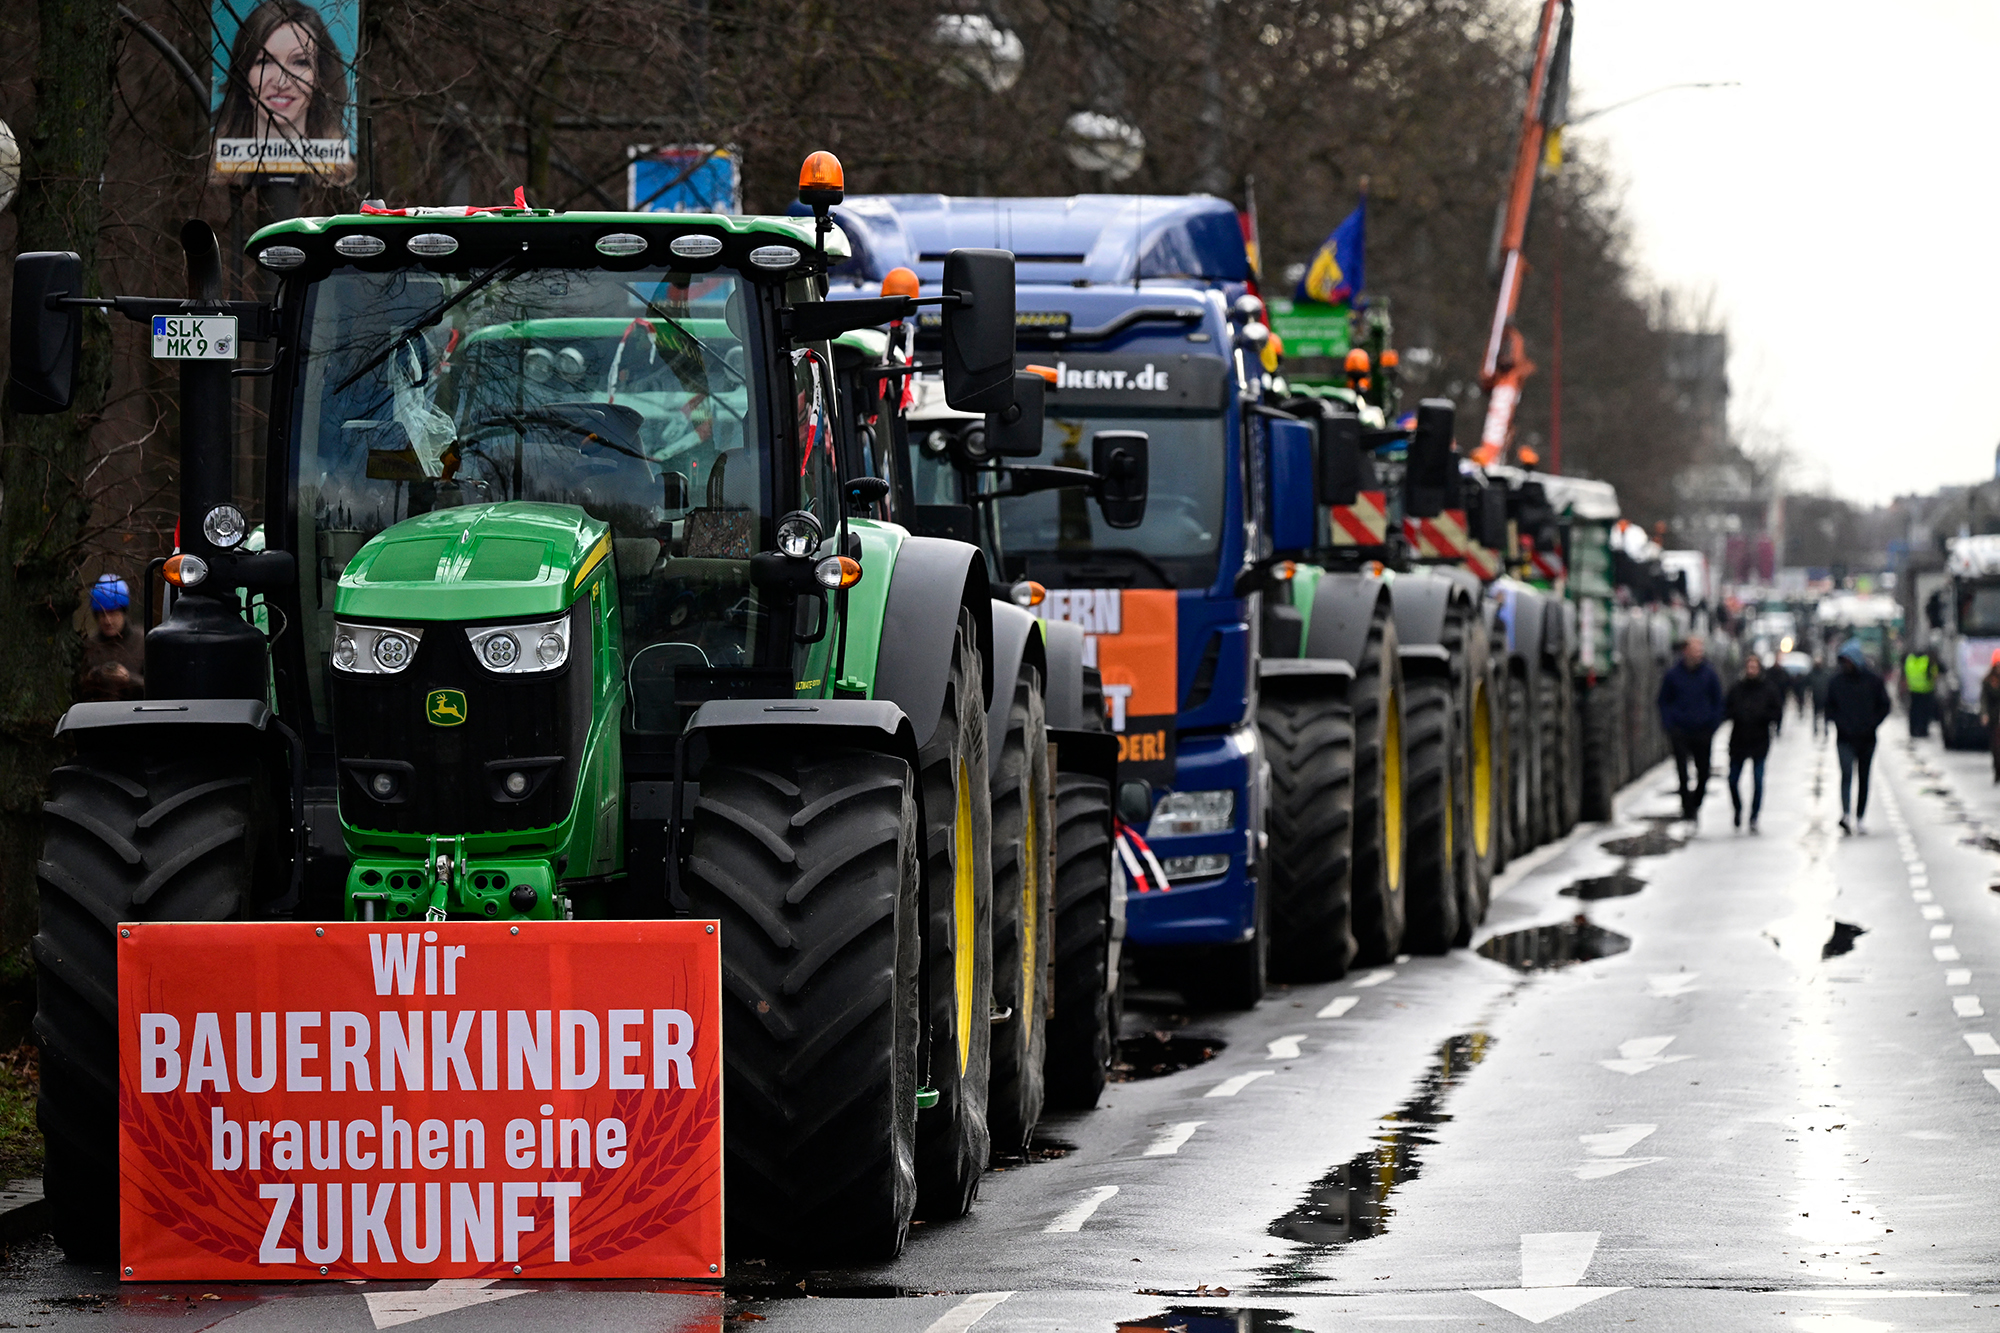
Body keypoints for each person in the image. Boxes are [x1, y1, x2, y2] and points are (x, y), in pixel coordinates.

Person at [215, 2, 348, 146]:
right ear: (243, 73)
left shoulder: (344, 164)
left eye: (300, 62)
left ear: (320, 75)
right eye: (264, 62)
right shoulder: (208, 161)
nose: (281, 82)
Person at [1824, 638, 1891, 835]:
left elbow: (1884, 705)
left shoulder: (1873, 681)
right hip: (1845, 738)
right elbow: (1829, 706)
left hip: (1867, 739)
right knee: (1846, 775)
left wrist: (1871, 724)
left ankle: (1860, 816)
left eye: (1848, 661)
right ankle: (1845, 814)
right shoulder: (1836, 682)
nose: (1846, 665)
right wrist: (1839, 723)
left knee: (1863, 777)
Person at [1657, 635, 1725, 827]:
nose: (1699, 653)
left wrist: (1712, 724)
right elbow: (1663, 701)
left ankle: (1696, 801)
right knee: (1682, 771)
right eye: (1695, 649)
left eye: (1700, 650)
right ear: (1686, 651)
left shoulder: (1709, 674)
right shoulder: (1673, 675)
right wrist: (1670, 724)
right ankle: (1687, 808)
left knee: (1703, 772)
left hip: (1703, 730)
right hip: (1680, 731)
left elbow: (1718, 701)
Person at [1725, 655, 1785, 832]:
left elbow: (1777, 711)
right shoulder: (1737, 688)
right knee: (1732, 780)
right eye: (1749, 667)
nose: (1751, 670)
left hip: (1759, 740)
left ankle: (1754, 816)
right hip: (1739, 740)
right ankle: (1738, 809)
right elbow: (1726, 708)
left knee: (1758, 781)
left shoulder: (1768, 689)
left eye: (1754, 667)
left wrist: (1762, 716)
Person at [79, 574, 144, 702]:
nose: (107, 620)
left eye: (112, 613)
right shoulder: (89, 646)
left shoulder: (143, 643)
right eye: (102, 614)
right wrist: (97, 676)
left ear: (123, 612)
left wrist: (128, 679)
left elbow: (158, 690)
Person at [1903, 644, 1941, 740]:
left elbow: (1905, 673)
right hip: (1926, 690)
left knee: (1913, 711)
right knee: (1924, 713)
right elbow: (1934, 674)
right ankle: (1922, 731)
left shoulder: (1910, 659)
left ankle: (1912, 730)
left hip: (1913, 690)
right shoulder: (1927, 660)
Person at [1980, 649, 2000, 783]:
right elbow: (1984, 700)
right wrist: (1985, 714)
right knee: (1996, 747)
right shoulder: (1988, 681)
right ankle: (1997, 770)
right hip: (1994, 719)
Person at [1807, 654, 1832, 739]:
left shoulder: (1825, 673)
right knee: (1816, 716)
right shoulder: (1812, 673)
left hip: (1824, 698)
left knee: (1824, 716)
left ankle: (1825, 731)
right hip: (1816, 697)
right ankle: (1816, 731)